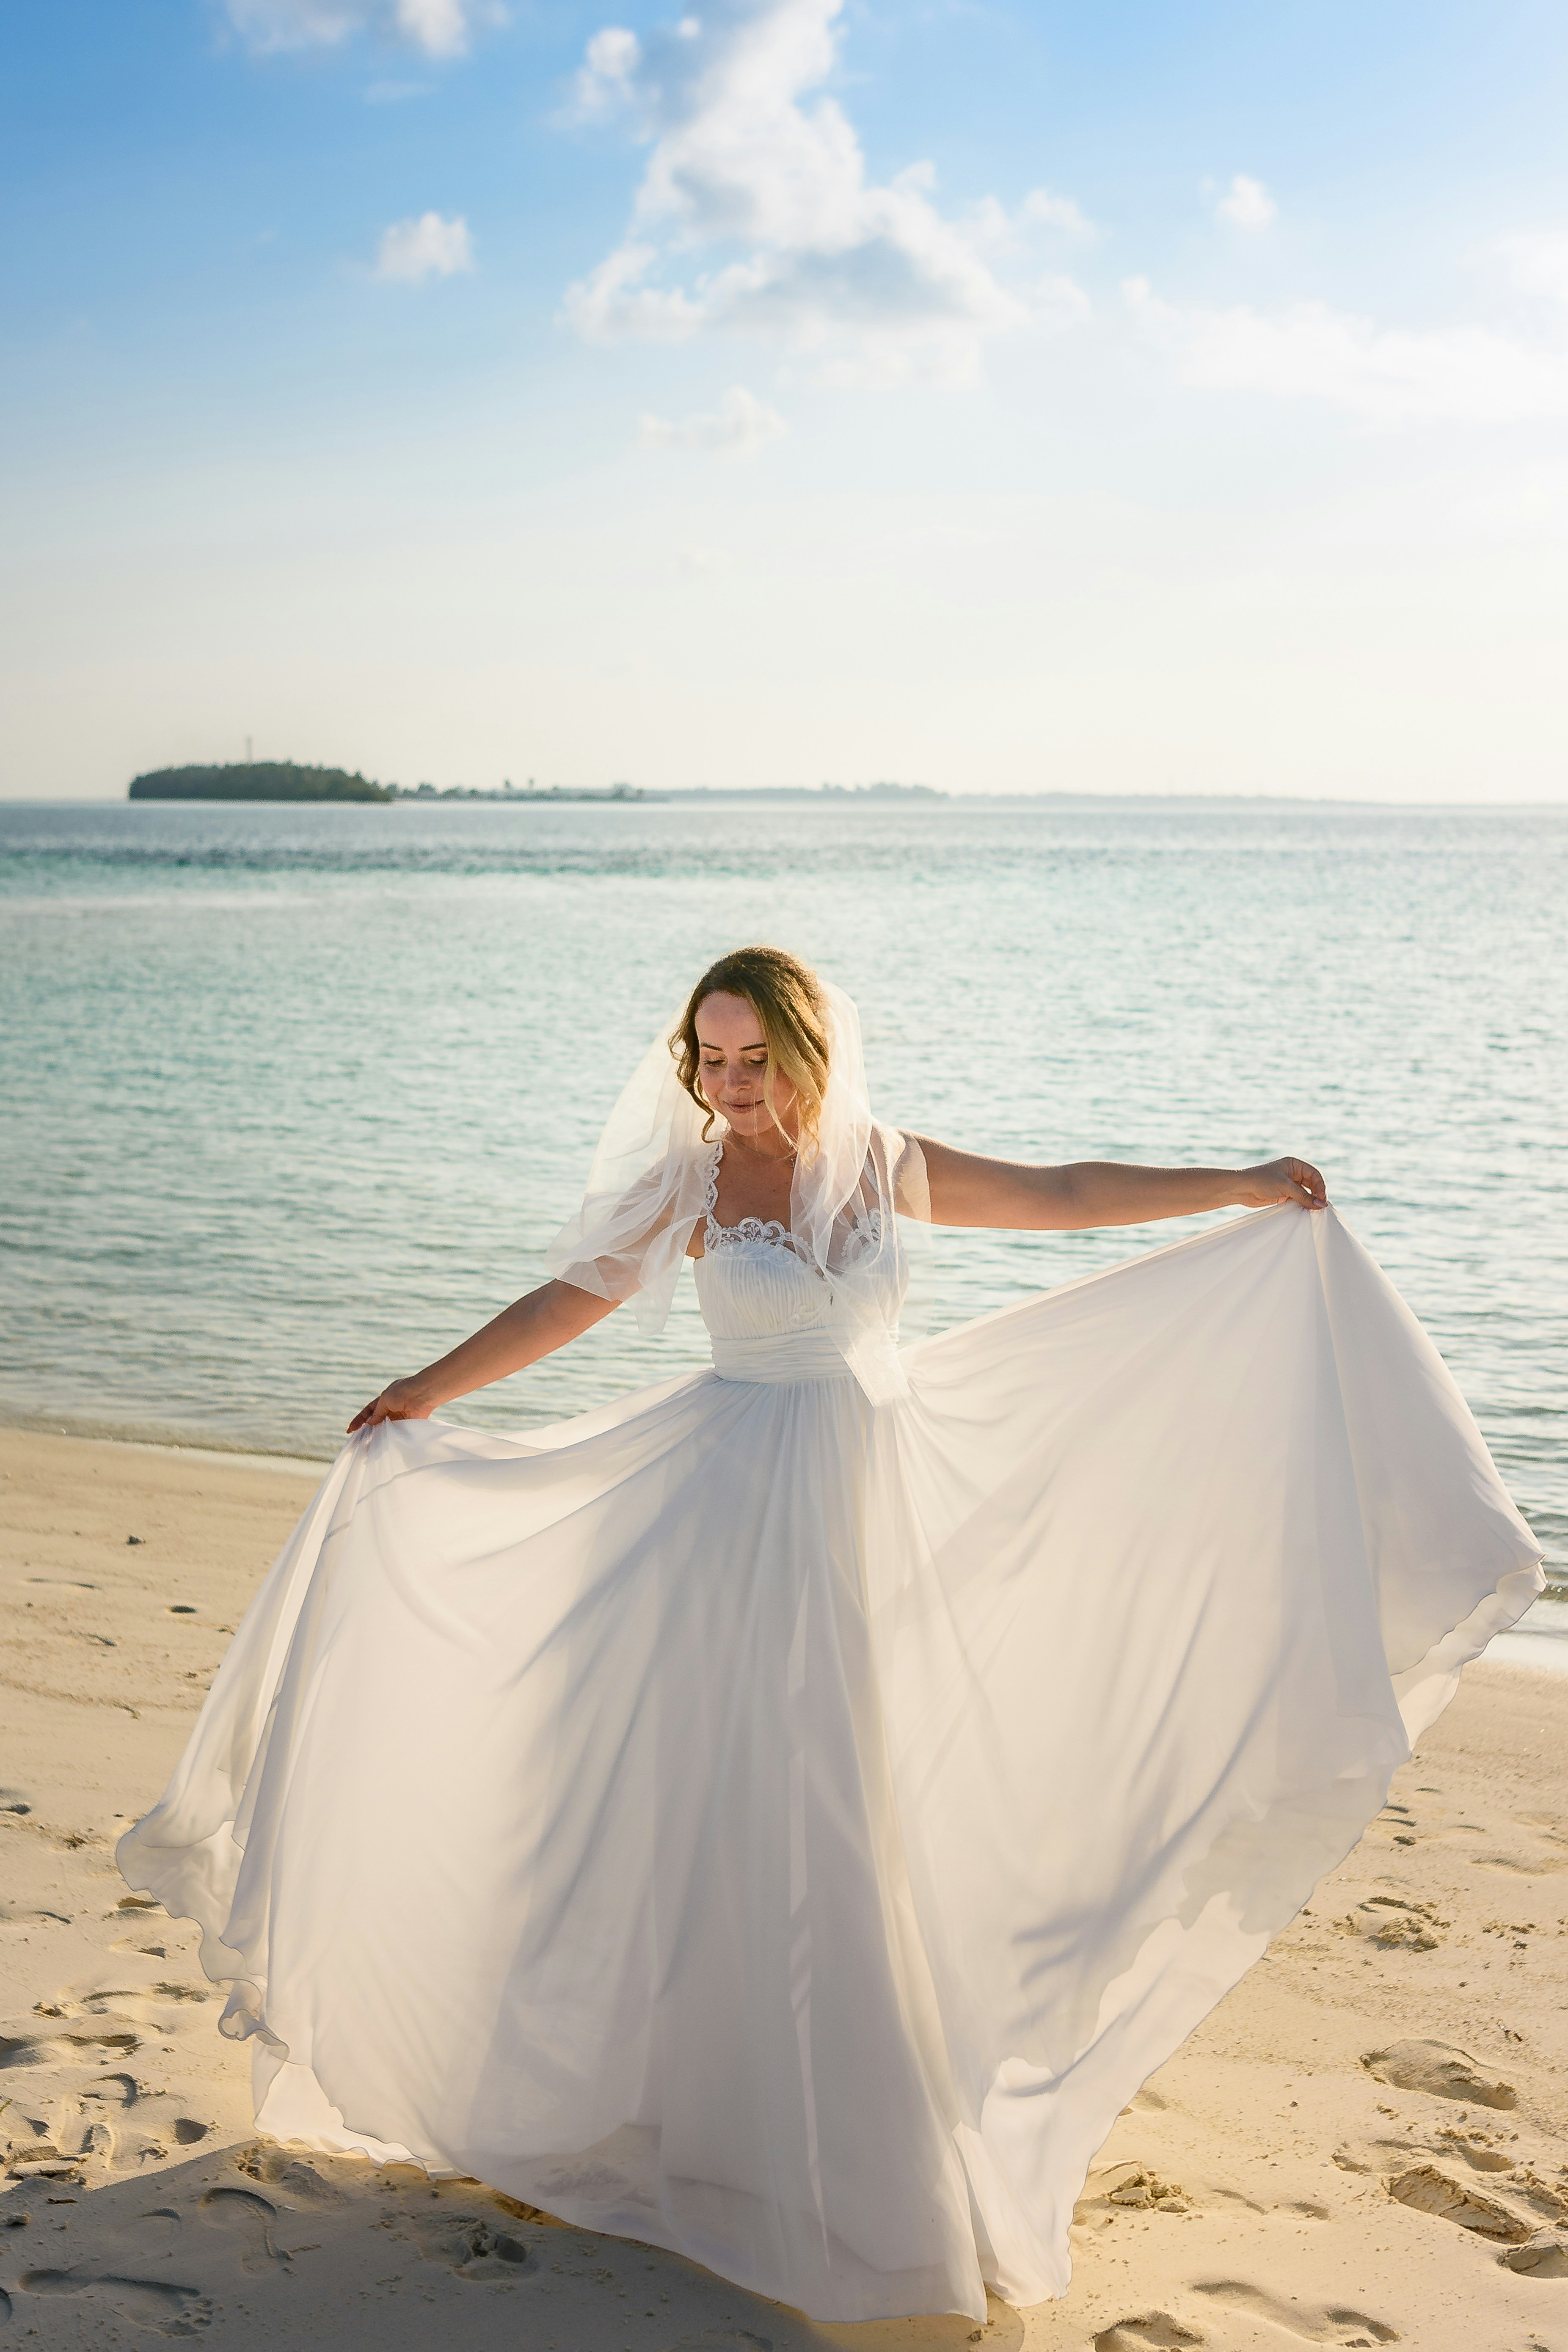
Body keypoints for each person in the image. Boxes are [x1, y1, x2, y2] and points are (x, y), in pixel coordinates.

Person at [119, 944, 1543, 2324]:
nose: (729, 1084)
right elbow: (582, 1296)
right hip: (728, 1514)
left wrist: (1230, 1184)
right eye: (709, 1058)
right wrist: (426, 1387)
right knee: (732, 1801)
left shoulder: (880, 1161)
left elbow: (1056, 1192)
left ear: (805, 1049)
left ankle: (849, 2131)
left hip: (876, 1503)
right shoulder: (691, 1175)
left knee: (862, 1803)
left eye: (751, 1057)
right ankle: (685, 2108)